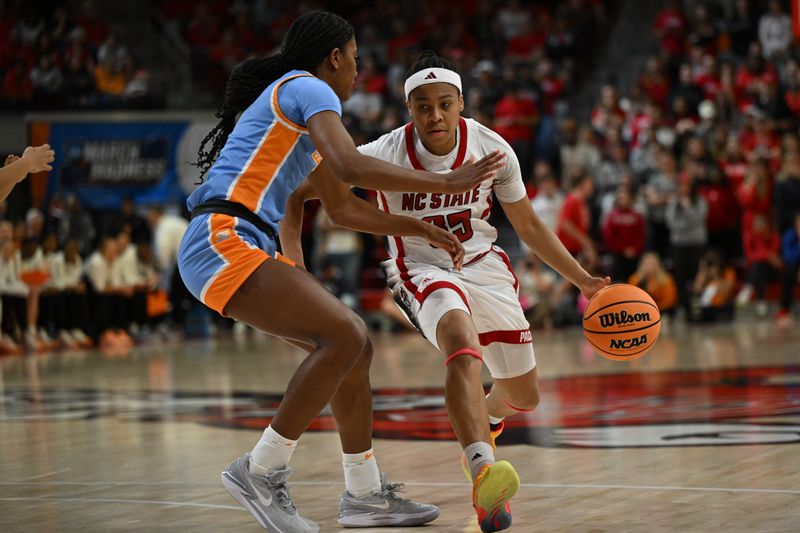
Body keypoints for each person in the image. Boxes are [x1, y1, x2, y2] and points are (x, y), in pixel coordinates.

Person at [177, 13, 502, 533]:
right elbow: (351, 168)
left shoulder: (300, 115)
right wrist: (445, 186)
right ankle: (260, 470)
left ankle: (364, 493)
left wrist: (416, 227)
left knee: (356, 349)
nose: (357, 71)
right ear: (334, 58)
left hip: (231, 242)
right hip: (223, 239)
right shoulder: (309, 88)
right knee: (346, 334)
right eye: (354, 59)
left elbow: (342, 208)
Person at [282, 51, 608, 533]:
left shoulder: (492, 149)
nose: (434, 115)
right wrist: (296, 265)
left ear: (461, 104)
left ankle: (488, 419)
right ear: (408, 108)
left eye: (444, 104)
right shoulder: (381, 153)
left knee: (525, 395)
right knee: (461, 340)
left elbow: (530, 226)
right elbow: (297, 192)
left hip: (483, 264)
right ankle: (482, 470)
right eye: (422, 106)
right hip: (418, 266)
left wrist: (582, 279)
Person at [628, 252, 678, 318]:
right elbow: (630, 298)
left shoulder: (666, 279)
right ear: (642, 265)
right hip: (641, 311)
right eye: (647, 264)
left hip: (661, 310)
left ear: (658, 265)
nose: (650, 266)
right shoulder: (635, 279)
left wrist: (654, 307)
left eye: (652, 264)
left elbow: (670, 300)